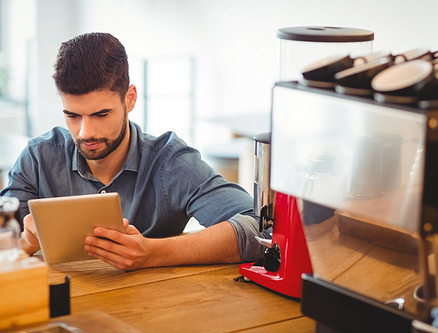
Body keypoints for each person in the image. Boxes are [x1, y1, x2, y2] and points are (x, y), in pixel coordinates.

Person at [0, 32, 266, 271]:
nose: (85, 133)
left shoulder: (170, 162)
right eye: (72, 116)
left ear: (130, 98)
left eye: (101, 114)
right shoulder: (38, 158)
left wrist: (153, 253)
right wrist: (23, 242)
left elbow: (261, 229)